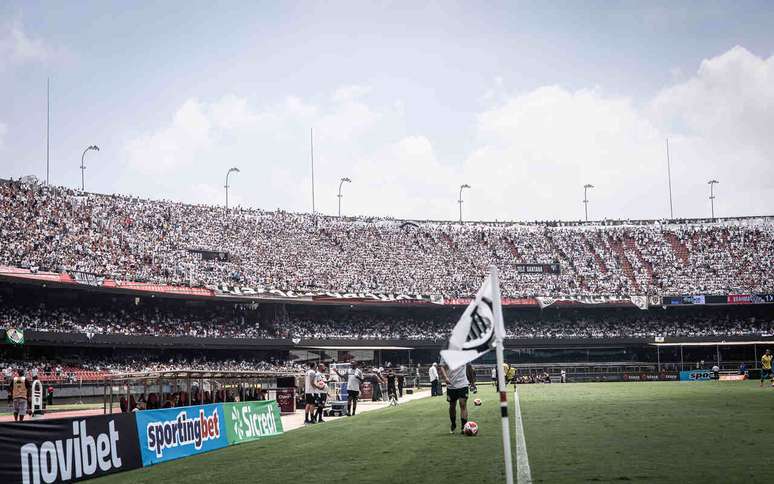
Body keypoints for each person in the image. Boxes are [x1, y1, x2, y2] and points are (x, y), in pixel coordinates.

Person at [438, 361, 469, 434]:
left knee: (463, 404)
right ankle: (453, 424)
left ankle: (463, 427)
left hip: (463, 384)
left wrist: (472, 382)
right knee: (452, 406)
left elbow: (469, 366)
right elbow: (442, 366)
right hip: (451, 385)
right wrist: (445, 377)